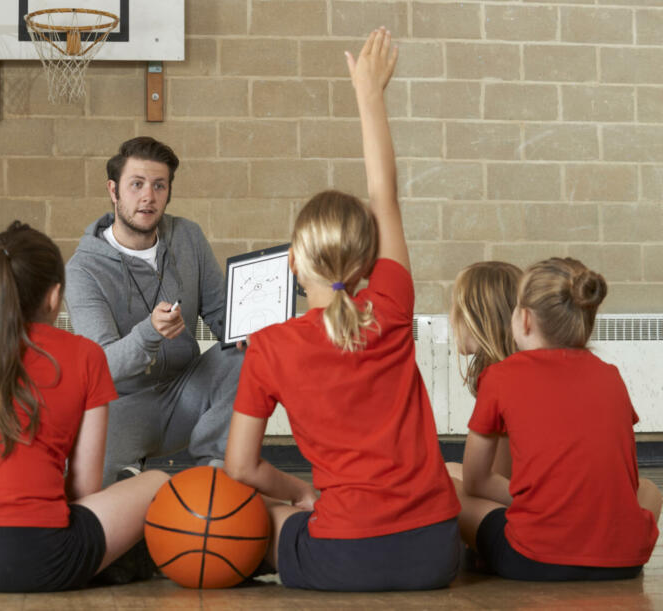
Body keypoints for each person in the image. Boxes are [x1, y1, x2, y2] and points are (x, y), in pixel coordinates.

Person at [224, 29, 462, 591]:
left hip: (341, 557)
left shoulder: (270, 345)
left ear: (291, 264)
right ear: (363, 266)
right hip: (435, 554)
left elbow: (240, 467)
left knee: (245, 518)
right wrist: (369, 94)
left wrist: (300, 493)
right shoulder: (391, 304)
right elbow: (385, 196)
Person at [0, 221, 169, 592]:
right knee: (157, 482)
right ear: (54, 296)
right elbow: (84, 488)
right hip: (34, 560)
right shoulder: (85, 356)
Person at [456, 256, 662, 581]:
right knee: (651, 489)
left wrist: (546, 501)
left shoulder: (499, 376)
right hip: (624, 561)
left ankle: (484, 552)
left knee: (448, 489)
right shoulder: (611, 376)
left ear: (523, 319)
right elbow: (627, 479)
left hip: (534, 558)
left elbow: (475, 482)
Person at [65, 135, 242, 484]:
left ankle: (213, 469)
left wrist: (256, 329)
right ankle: (128, 468)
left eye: (159, 186)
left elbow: (223, 317)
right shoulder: (83, 270)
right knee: (83, 492)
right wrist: (150, 333)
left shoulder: (188, 237)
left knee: (247, 355)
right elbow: (102, 365)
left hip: (186, 392)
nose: (148, 196)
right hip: (123, 406)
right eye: (137, 184)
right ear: (113, 191)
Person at [445, 261, 522, 482]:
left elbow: (498, 478)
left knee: (438, 488)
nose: (450, 319)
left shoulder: (504, 379)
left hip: (535, 504)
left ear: (479, 318)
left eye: (454, 307)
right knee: (447, 469)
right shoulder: (516, 369)